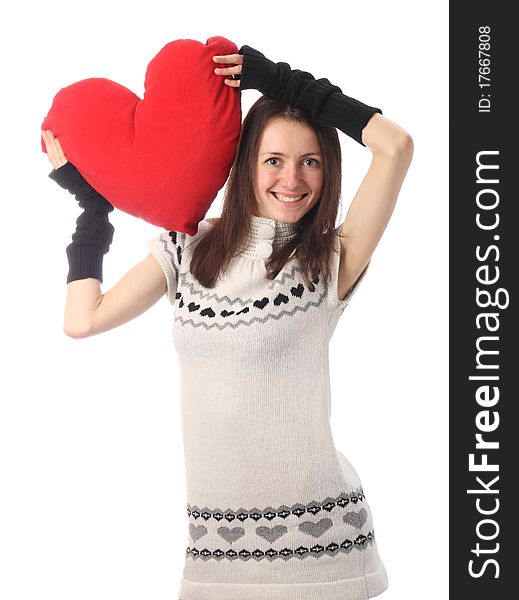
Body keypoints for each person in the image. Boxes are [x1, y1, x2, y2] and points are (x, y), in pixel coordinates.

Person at [42, 45, 413, 600]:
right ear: (244, 167)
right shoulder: (187, 252)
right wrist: (94, 212)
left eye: (310, 161)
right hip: (216, 553)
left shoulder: (330, 260)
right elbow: (82, 320)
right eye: (274, 160)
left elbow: (396, 146)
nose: (293, 179)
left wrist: (280, 81)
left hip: (325, 553)